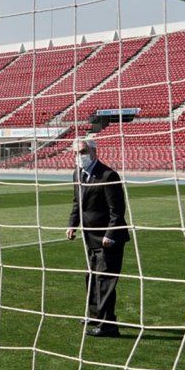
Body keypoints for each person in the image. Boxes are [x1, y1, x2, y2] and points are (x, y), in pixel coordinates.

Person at [66, 139, 130, 338]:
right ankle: (95, 316)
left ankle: (108, 325)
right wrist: (72, 224)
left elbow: (117, 210)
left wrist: (110, 234)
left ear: (94, 151)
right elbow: (77, 203)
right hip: (89, 236)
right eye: (76, 152)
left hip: (107, 239)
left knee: (104, 280)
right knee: (91, 277)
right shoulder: (77, 174)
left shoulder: (108, 175)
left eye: (83, 151)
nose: (79, 156)